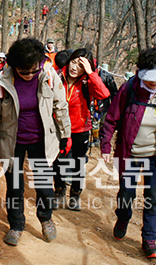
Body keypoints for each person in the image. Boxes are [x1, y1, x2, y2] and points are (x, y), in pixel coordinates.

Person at [0, 38, 71, 246]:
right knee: (14, 187)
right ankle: (16, 225)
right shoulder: (2, 81)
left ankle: (46, 218)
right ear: (14, 66)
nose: (29, 75)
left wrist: (66, 135)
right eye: (24, 71)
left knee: (44, 186)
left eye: (33, 70)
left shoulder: (48, 75)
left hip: (41, 139)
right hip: (12, 141)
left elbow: (60, 106)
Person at [99, 47, 156, 259]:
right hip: (131, 152)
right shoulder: (130, 89)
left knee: (153, 197)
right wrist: (106, 144)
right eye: (151, 77)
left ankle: (149, 239)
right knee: (127, 193)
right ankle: (123, 217)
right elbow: (112, 117)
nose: (155, 82)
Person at [53, 48, 110, 211]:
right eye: (73, 62)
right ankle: (59, 191)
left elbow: (103, 94)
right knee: (60, 164)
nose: (74, 67)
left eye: (80, 65)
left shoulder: (88, 82)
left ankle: (75, 195)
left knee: (77, 165)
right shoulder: (58, 76)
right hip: (60, 130)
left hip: (80, 130)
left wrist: (91, 73)